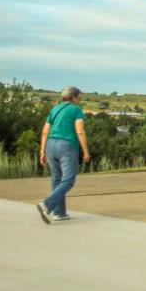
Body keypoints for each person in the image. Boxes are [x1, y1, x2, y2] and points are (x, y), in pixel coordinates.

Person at [37, 86, 90, 224]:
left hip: (50, 145)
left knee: (56, 179)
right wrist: (85, 151)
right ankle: (47, 204)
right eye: (79, 97)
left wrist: (42, 151)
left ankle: (59, 213)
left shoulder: (55, 109)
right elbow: (79, 131)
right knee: (68, 180)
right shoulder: (75, 110)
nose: (79, 100)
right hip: (66, 146)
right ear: (73, 97)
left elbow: (44, 131)